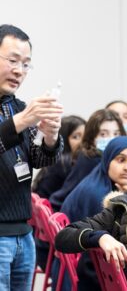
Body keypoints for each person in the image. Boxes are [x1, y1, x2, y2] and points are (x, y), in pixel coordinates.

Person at [0, 24, 63, 290]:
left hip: (23, 234)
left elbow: (38, 160)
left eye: (26, 65)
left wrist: (50, 136)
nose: (19, 71)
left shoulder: (18, 107)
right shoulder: (21, 114)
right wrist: (22, 121)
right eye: (13, 61)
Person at [52, 135, 127, 290]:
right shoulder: (99, 194)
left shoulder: (101, 180)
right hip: (88, 276)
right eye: (121, 160)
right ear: (107, 160)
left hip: (76, 268)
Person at [49, 108, 126, 211]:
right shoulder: (92, 159)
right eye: (103, 134)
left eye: (116, 134)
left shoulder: (89, 154)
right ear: (92, 137)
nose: (112, 139)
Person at [32, 115, 86, 198]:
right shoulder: (62, 162)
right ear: (62, 139)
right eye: (76, 137)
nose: (83, 141)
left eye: (86, 136)